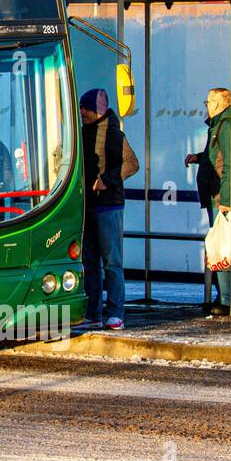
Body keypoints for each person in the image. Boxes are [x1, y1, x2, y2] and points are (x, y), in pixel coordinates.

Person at [79, 88, 132, 331]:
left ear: (96, 110)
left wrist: (106, 180)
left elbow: (131, 164)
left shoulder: (113, 133)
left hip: (108, 205)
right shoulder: (82, 133)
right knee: (90, 261)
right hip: (88, 206)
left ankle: (115, 312)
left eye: (85, 109)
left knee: (112, 262)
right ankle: (93, 312)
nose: (82, 113)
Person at [186, 87, 231, 315]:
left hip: (220, 198)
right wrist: (199, 158)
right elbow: (216, 157)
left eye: (209, 101)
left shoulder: (225, 125)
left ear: (220, 102)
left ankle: (227, 298)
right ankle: (222, 295)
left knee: (222, 246)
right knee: (216, 246)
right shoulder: (216, 125)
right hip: (215, 195)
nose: (207, 105)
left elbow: (230, 164)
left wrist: (226, 198)